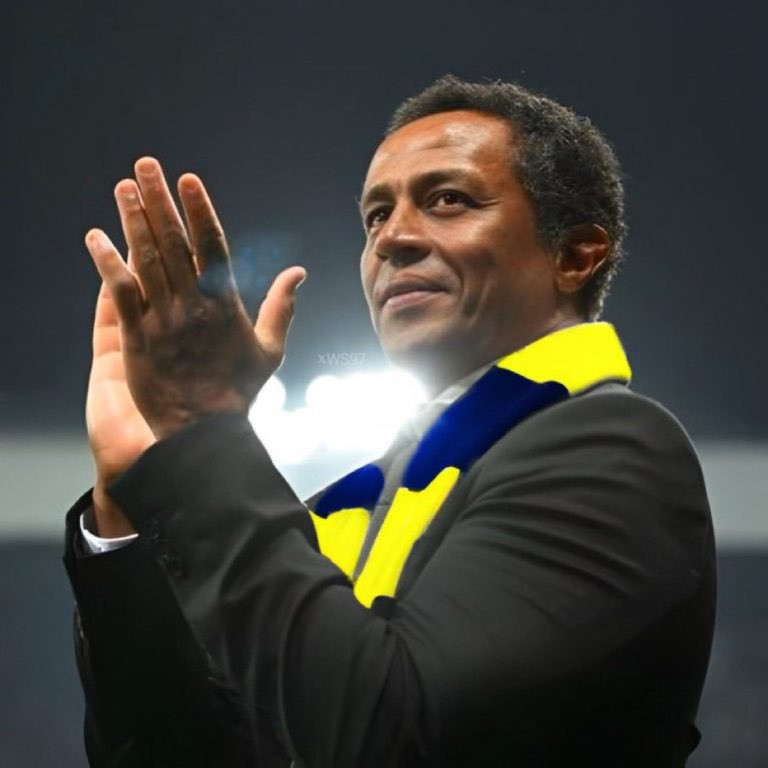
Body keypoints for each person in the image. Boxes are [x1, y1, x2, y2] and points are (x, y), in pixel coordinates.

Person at [63, 75, 715, 767]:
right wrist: (135, 487)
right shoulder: (344, 507)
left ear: (575, 255)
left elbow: (389, 739)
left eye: (448, 199)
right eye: (376, 215)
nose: (393, 238)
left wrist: (204, 430)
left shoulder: (612, 453)